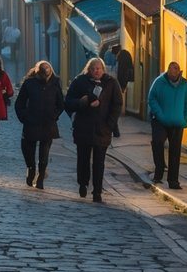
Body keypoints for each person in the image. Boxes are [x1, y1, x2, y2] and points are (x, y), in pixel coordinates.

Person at [64, 56, 122, 203]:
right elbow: (68, 102)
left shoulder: (111, 83)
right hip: (83, 127)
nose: (96, 71)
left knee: (99, 162)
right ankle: (82, 184)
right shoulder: (79, 82)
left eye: (99, 68)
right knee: (83, 159)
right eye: (93, 69)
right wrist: (81, 103)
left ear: (103, 69)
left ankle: (97, 191)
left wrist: (110, 124)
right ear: (88, 70)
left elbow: (117, 105)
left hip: (102, 129)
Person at [14, 60, 64, 189]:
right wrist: (24, 117)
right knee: (27, 148)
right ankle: (31, 168)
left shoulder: (55, 83)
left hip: (48, 122)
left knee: (44, 152)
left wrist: (54, 115)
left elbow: (60, 104)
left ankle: (41, 176)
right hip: (31, 122)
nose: (46, 76)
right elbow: (19, 103)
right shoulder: (29, 83)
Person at [148, 61, 187, 190]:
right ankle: (159, 171)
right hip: (160, 121)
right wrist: (159, 114)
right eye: (170, 73)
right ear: (167, 72)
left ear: (179, 72)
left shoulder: (185, 85)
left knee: (175, 151)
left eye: (175, 73)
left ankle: (173, 181)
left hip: (177, 123)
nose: (173, 76)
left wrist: (185, 119)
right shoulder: (159, 82)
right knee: (157, 142)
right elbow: (152, 98)